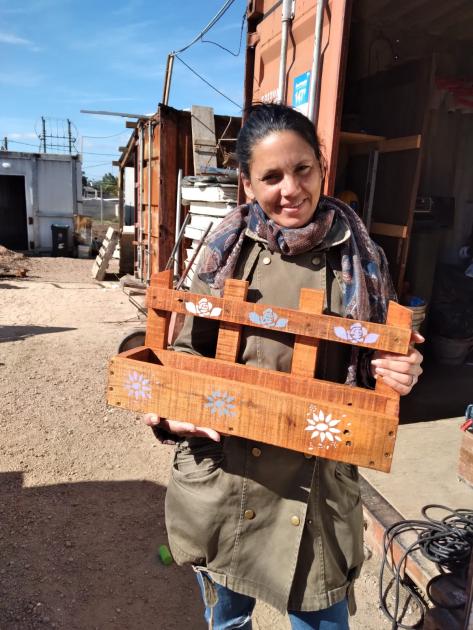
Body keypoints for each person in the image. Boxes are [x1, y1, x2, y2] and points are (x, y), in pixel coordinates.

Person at [145, 103, 423, 630]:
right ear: (247, 184)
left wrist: (399, 370)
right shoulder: (225, 251)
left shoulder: (360, 259)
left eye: (302, 170)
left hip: (314, 482)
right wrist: (169, 407)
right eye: (271, 177)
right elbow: (182, 353)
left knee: (322, 619)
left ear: (322, 168)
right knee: (227, 620)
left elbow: (379, 360)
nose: (290, 189)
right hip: (226, 471)